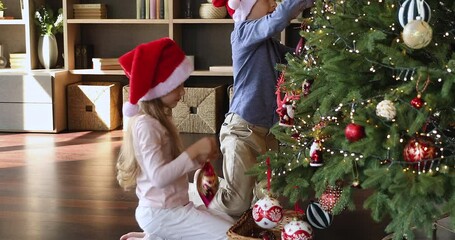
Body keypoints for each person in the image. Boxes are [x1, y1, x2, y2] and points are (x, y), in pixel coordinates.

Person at [116, 38, 234, 240]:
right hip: (163, 213)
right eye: (176, 85)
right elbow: (159, 178)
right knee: (231, 236)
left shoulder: (159, 120)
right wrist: (193, 152)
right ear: (158, 87)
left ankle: (156, 235)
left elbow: (169, 169)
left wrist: (198, 160)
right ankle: (157, 233)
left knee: (232, 226)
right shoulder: (146, 126)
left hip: (172, 208)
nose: (183, 91)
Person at [208, 0, 315, 217]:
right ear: (246, 8)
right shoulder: (242, 32)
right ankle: (207, 191)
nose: (272, 3)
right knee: (235, 204)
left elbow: (296, 59)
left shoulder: (270, 45)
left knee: (267, 197)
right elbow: (278, 19)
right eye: (266, 0)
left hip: (269, 133)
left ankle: (254, 224)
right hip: (242, 130)